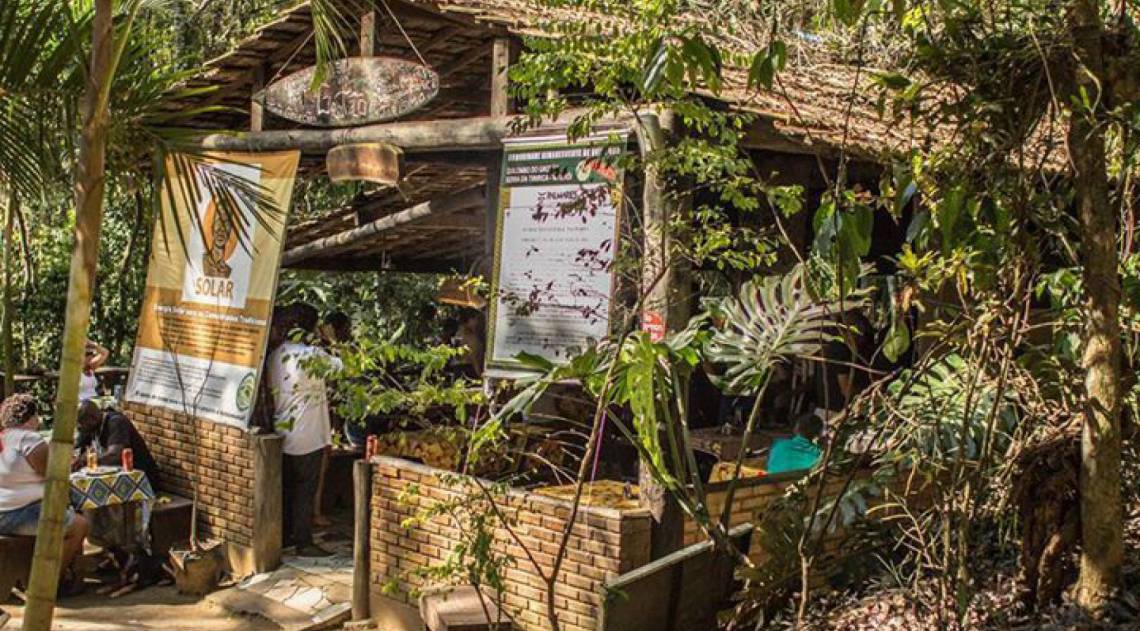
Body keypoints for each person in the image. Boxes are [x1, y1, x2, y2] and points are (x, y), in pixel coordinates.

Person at [269, 304, 342, 557]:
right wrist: (332, 341)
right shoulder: (311, 355)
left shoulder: (276, 354)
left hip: (283, 430)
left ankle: (287, 536)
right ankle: (304, 542)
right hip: (308, 434)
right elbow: (344, 366)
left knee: (289, 489)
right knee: (305, 490)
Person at [0, 394, 89, 593]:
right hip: (17, 513)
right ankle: (46, 584)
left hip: (6, 511)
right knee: (79, 525)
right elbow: (54, 474)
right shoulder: (29, 439)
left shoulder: (4, 438)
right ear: (32, 418)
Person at [75, 400, 160, 486]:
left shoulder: (116, 422)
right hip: (115, 475)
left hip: (140, 478)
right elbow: (77, 447)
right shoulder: (91, 426)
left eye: (81, 423)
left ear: (93, 418)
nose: (79, 427)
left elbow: (115, 456)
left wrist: (86, 461)